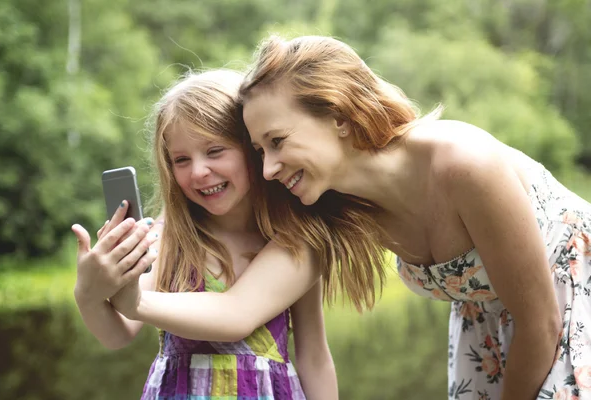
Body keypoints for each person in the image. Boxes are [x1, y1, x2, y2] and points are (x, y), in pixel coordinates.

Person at [238, 35, 591, 399]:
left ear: (338, 116)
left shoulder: (463, 164)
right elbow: (239, 307)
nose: (267, 169)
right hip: (490, 342)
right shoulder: (339, 211)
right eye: (260, 151)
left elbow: (541, 324)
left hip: (572, 312)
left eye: (277, 141)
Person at [71, 69, 338, 400]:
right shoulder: (168, 237)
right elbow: (118, 332)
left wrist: (133, 302)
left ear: (254, 150)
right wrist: (89, 293)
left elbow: (312, 354)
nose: (198, 171)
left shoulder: (297, 240)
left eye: (215, 151)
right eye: (181, 159)